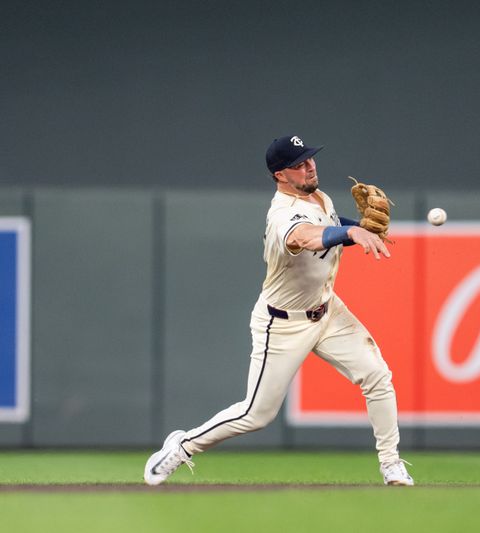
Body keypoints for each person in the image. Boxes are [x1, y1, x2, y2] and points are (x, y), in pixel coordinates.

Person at [144, 134, 414, 486]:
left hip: (327, 309)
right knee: (257, 414)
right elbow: (305, 236)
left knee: (377, 375)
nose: (309, 166)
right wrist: (350, 235)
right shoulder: (281, 215)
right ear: (279, 175)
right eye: (299, 164)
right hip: (283, 324)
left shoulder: (318, 195)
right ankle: (182, 446)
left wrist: (356, 226)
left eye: (310, 158)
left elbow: (327, 221)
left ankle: (391, 464)